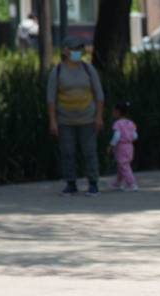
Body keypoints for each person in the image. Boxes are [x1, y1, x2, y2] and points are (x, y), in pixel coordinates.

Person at [47, 36, 104, 197]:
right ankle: (70, 183)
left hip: (87, 118)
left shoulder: (88, 69)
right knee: (67, 151)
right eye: (74, 49)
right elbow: (51, 99)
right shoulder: (57, 71)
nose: (78, 52)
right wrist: (53, 121)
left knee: (89, 151)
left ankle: (93, 183)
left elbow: (99, 95)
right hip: (65, 120)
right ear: (65, 51)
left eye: (80, 49)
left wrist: (99, 117)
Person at [107, 101, 139, 191]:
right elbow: (135, 136)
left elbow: (117, 136)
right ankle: (117, 183)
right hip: (130, 147)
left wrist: (111, 145)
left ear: (117, 112)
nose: (112, 113)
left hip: (121, 147)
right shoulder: (130, 123)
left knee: (124, 166)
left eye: (113, 111)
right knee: (122, 165)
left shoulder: (118, 124)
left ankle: (132, 184)